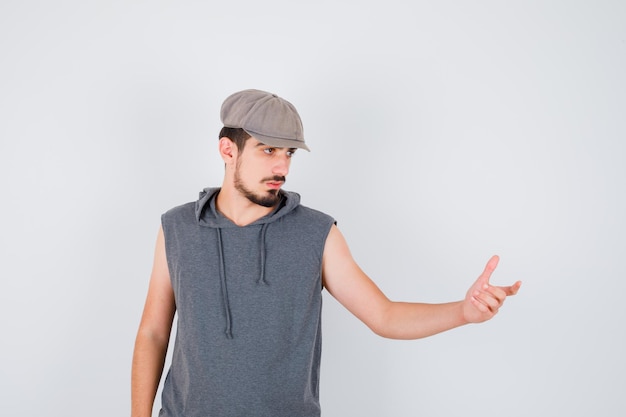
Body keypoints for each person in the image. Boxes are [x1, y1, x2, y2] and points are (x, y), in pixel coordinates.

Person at [131, 89, 522, 417]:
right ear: (227, 150)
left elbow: (384, 316)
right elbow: (152, 332)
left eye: (289, 154)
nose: (281, 166)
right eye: (268, 150)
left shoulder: (317, 233)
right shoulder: (177, 228)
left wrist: (463, 312)